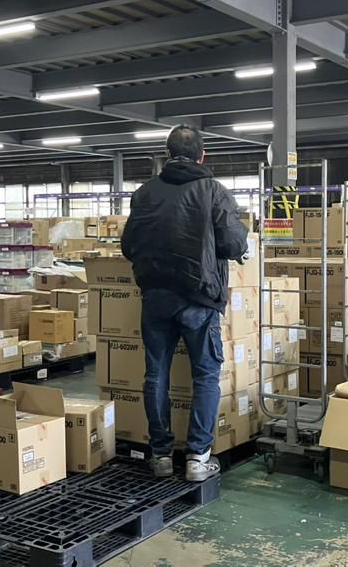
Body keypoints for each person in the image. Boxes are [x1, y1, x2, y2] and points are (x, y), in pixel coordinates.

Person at [121, 124, 248, 482]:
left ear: (168, 154)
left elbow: (129, 246)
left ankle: (161, 455)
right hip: (199, 297)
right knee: (205, 375)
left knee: (155, 373)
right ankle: (197, 457)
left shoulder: (145, 193)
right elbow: (233, 244)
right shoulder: (214, 191)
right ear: (202, 156)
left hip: (156, 297)